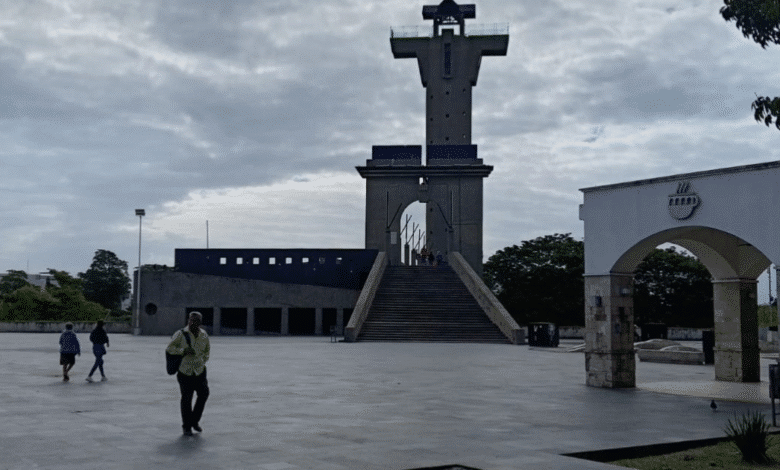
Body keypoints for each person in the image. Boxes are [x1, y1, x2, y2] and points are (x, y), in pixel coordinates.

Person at [166, 311, 210, 436]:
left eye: (195, 321)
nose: (192, 323)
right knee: (186, 398)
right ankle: (186, 426)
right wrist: (183, 351)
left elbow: (207, 351)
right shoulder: (180, 334)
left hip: (199, 371)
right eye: (190, 320)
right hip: (185, 371)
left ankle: (194, 421)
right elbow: (169, 348)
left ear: (200, 323)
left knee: (204, 394)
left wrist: (203, 360)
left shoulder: (204, 335)